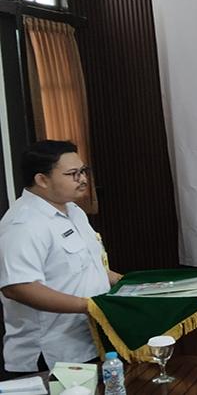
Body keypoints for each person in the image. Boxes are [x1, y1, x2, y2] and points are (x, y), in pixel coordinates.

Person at [0, 140, 122, 377]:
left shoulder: (73, 210)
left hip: (90, 340)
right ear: (42, 180)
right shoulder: (23, 224)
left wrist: (128, 284)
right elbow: (18, 287)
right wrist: (90, 306)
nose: (83, 179)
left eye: (83, 171)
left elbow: (88, 268)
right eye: (72, 174)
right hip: (53, 354)